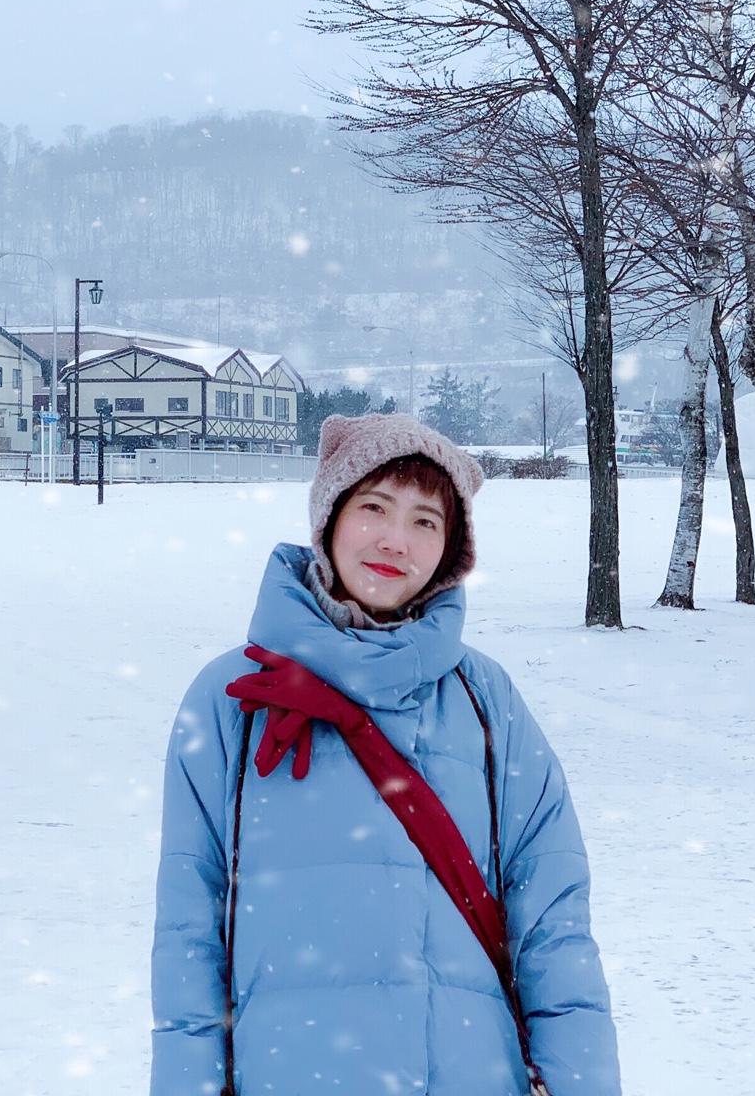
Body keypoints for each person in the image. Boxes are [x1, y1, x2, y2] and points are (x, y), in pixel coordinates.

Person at [151, 412, 619, 1095]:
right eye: (374, 506)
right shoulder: (233, 699)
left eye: (426, 521)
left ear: (448, 551)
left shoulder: (487, 702)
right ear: (330, 517)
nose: (395, 540)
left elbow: (554, 930)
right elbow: (189, 938)